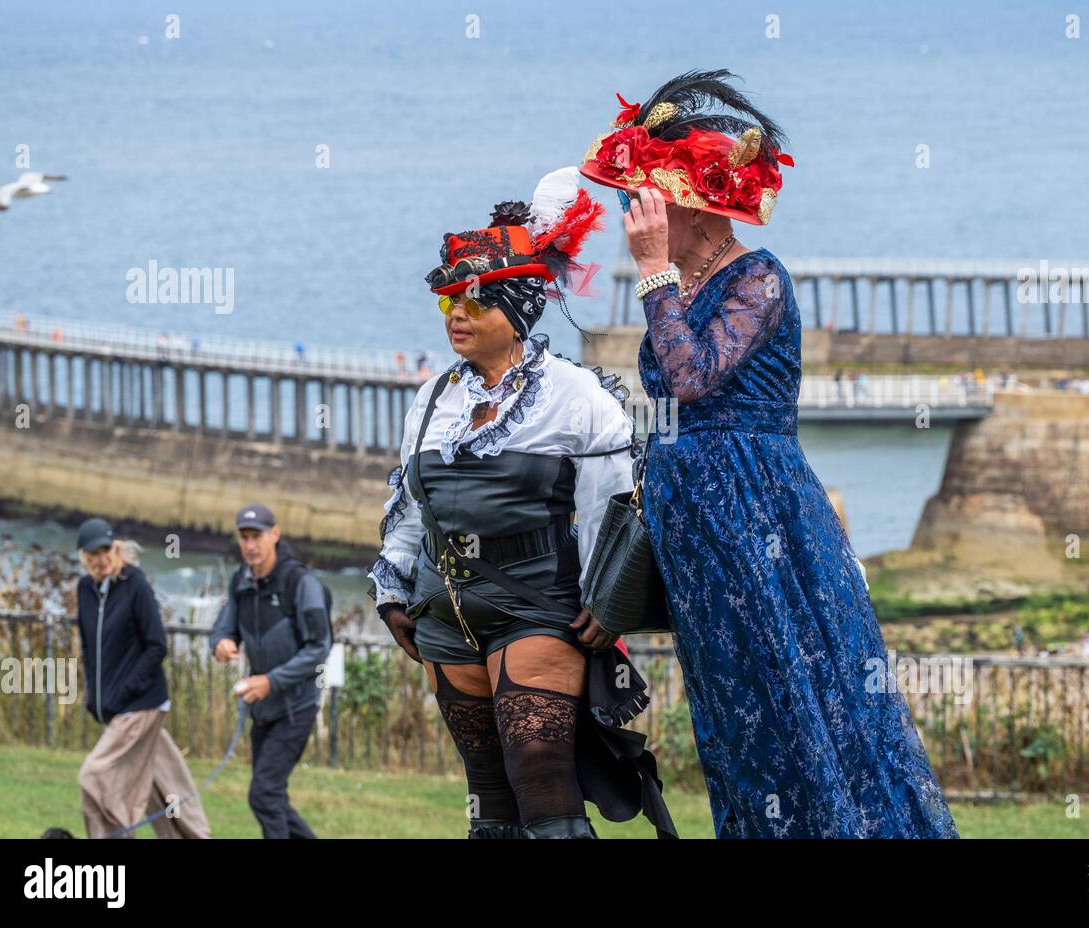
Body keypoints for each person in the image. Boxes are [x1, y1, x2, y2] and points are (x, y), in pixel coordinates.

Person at [580, 69, 959, 838]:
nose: (632, 213)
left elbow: (689, 377)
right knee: (732, 714)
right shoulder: (680, 286)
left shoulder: (758, 278)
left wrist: (651, 269)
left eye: (645, 200)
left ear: (692, 205)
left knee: (788, 692)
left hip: (758, 516)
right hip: (695, 522)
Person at [369, 167, 675, 839]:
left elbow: (610, 507)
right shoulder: (431, 399)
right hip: (445, 616)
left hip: (537, 606)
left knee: (541, 779)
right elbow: (413, 505)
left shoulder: (575, 396)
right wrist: (391, 587)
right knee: (489, 802)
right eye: (450, 301)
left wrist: (606, 600)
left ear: (518, 312)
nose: (456, 314)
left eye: (474, 302)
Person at [74, 517, 211, 838]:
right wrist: (96, 699)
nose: (102, 558)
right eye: (94, 553)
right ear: (83, 556)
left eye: (107, 549)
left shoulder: (134, 584)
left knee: (95, 778)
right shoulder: (85, 590)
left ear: (116, 548)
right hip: (118, 708)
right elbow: (89, 647)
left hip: (141, 704)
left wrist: (124, 693)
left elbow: (156, 645)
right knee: (163, 787)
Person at [210, 504, 331, 839]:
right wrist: (221, 643)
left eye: (257, 536)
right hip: (262, 709)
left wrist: (271, 681)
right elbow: (222, 628)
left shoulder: (300, 582)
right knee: (271, 796)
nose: (250, 545)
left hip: (297, 707)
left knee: (263, 794)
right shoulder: (242, 581)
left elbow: (319, 647)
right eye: (244, 537)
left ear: (274, 535)